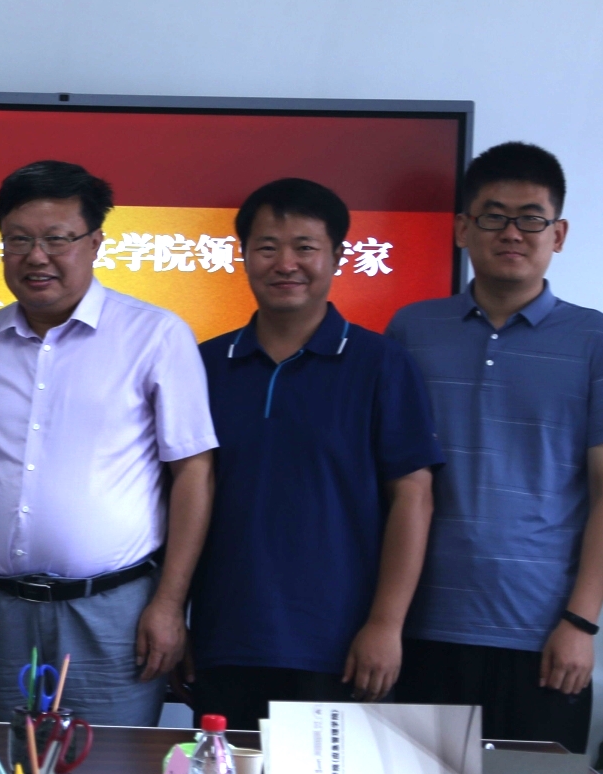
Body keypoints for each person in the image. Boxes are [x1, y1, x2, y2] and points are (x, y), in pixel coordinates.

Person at [387, 142, 603, 751]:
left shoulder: (599, 342)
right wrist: (384, 619)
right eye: (493, 216)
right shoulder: (411, 331)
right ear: (463, 229)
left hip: (544, 637)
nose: (512, 232)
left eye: (531, 218)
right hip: (423, 627)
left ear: (558, 234)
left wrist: (582, 622)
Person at [0, 161, 216, 726]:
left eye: (57, 239)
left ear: (95, 243)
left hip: (114, 611)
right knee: (12, 767)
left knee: (110, 768)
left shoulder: (155, 335)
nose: (36, 257)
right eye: (18, 240)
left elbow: (193, 473)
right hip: (1, 609)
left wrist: (170, 604)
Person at [187, 179, 441, 723]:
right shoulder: (204, 365)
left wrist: (386, 624)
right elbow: (179, 499)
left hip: (339, 646)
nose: (286, 264)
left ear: (337, 257)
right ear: (243, 254)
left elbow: (414, 497)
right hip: (224, 638)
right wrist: (174, 613)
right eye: (267, 247)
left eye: (305, 247)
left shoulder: (381, 364)